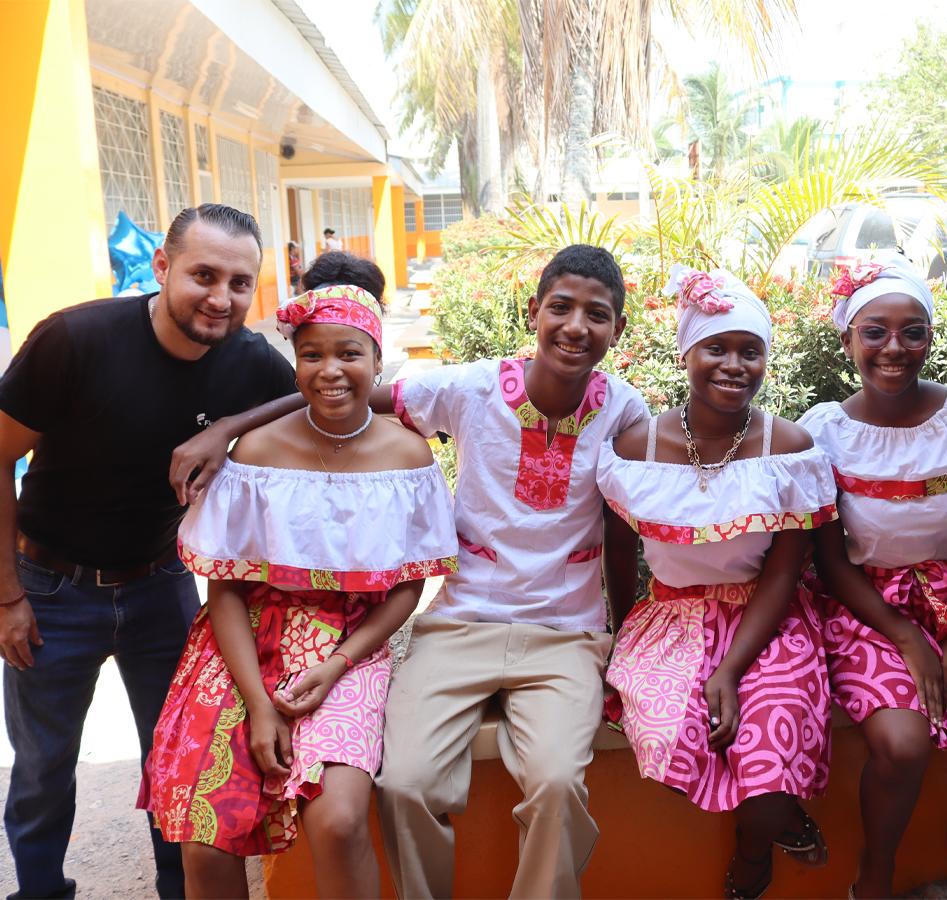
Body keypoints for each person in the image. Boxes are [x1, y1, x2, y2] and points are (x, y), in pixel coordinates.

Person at [165, 244, 649, 898]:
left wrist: (626, 635)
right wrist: (230, 427)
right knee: (404, 781)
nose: (575, 325)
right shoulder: (474, 388)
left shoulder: (624, 411)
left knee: (559, 783)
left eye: (597, 314)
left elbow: (624, 534)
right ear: (533, 311)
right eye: (559, 306)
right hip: (460, 624)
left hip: (567, 634)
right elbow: (345, 391)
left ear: (618, 329)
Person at [0, 203, 297, 900]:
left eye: (239, 282)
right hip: (48, 585)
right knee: (43, 765)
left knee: (175, 758)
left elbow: (323, 400)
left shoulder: (249, 363)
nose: (220, 298)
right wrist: (8, 594)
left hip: (160, 583)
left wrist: (227, 425)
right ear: (161, 267)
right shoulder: (74, 338)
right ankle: (40, 890)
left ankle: (178, 891)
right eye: (202, 275)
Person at [138, 265, 457, 898]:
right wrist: (259, 704)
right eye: (311, 355)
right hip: (238, 648)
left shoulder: (409, 458)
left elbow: (405, 588)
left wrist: (337, 664)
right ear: (295, 364)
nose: (330, 370)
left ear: (378, 357)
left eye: (349, 353)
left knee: (338, 821)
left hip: (347, 647)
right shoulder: (254, 453)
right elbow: (225, 585)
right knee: (206, 834)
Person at [599, 264, 837, 900]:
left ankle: (756, 849)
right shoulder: (636, 448)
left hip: (769, 620)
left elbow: (786, 571)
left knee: (768, 758)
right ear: (686, 354)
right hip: (668, 619)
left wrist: (729, 669)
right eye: (717, 347)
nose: (735, 364)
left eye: (750, 350)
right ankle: (780, 824)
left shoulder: (789, 448)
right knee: (670, 736)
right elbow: (618, 553)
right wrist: (627, 632)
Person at [802, 263, 947, 900]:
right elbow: (832, 562)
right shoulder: (824, 435)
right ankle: (876, 869)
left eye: (913, 331)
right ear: (848, 341)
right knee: (902, 744)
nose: (894, 348)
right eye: (874, 332)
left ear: (932, 337)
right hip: (867, 610)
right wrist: (903, 637)